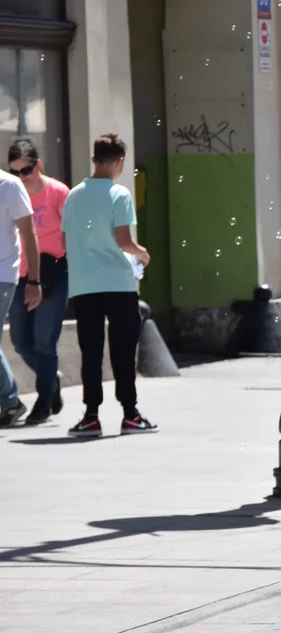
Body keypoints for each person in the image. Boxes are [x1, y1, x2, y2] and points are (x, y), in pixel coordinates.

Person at [63, 134, 156, 438]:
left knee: (90, 350)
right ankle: (130, 415)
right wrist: (141, 253)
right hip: (117, 281)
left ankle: (91, 417)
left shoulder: (73, 195)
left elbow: (65, 240)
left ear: (93, 159)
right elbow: (123, 241)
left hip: (83, 284)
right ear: (120, 161)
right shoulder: (119, 193)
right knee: (123, 349)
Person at [6, 140, 70, 425]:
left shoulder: (57, 192)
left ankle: (43, 403)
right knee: (20, 341)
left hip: (52, 273)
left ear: (39, 164)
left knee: (45, 342)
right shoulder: (11, 191)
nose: (22, 176)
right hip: (19, 275)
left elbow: (71, 232)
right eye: (15, 171)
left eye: (27, 169)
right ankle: (51, 377)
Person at [0, 166, 41, 428]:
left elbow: (29, 233)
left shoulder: (10, 186)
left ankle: (12, 400)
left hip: (3, 272)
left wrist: (34, 280)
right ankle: (11, 399)